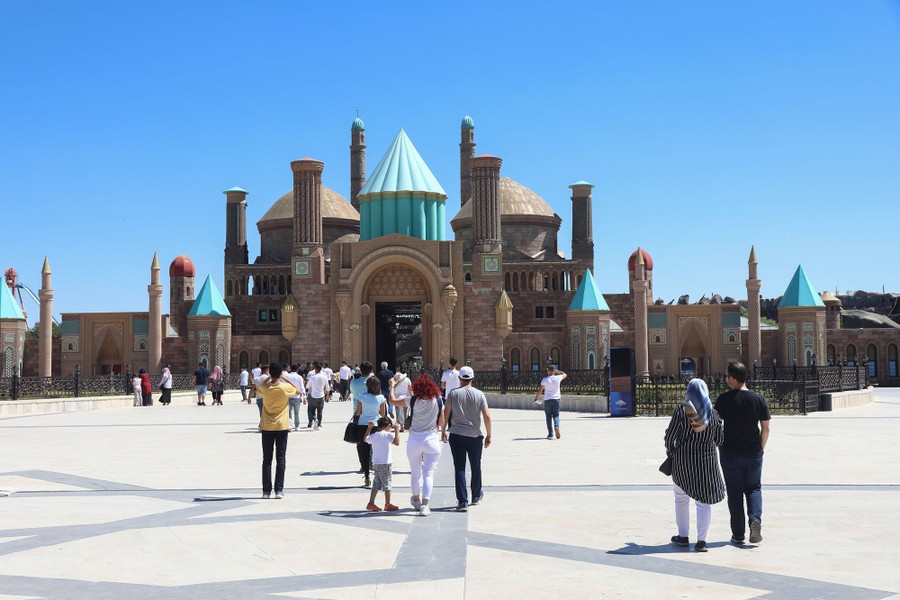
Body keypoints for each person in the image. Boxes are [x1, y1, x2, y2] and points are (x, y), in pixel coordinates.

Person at [664, 378, 726, 552]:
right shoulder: (713, 414)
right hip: (706, 464)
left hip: (683, 463)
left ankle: (683, 536)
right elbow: (720, 439)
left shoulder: (681, 411)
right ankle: (702, 541)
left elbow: (670, 436)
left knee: (681, 498)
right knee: (703, 502)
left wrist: (669, 448)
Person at [715, 361, 771, 545]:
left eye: (726, 376)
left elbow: (715, 425)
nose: (725, 379)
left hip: (730, 452)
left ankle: (738, 534)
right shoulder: (758, 399)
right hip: (753, 451)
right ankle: (755, 521)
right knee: (754, 488)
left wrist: (719, 445)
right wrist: (760, 448)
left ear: (732, 378)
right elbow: (766, 428)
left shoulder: (724, 399)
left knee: (735, 491)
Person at [391, 373, 444, 516]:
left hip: (414, 440)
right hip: (431, 440)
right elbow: (441, 423)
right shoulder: (438, 401)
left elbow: (392, 401)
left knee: (415, 474)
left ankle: (416, 499)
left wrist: (392, 386)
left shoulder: (412, 400)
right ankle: (425, 506)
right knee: (428, 475)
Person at [441, 366, 492, 512]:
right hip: (475, 435)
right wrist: (489, 434)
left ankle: (462, 501)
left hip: (456, 434)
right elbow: (487, 416)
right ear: (472, 379)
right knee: (476, 466)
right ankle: (476, 495)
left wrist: (443, 430)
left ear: (459, 378)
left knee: (460, 468)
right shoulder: (479, 394)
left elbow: (446, 412)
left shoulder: (453, 393)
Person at [257, 362, 299, 499]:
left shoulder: (266, 387)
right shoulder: (285, 388)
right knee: (281, 459)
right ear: (281, 373)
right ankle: (279, 490)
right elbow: (298, 391)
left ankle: (266, 491)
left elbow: (259, 387)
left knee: (267, 460)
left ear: (270, 373)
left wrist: (269, 377)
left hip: (267, 427)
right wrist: (284, 378)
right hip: (281, 426)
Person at [354, 376, 387, 487]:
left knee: (364, 451)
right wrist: (375, 408)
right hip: (376, 426)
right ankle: (378, 476)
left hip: (362, 425)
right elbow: (383, 415)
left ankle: (367, 476)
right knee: (376, 451)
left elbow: (358, 413)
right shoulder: (381, 398)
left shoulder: (361, 397)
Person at [364, 416, 400, 512]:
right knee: (387, 482)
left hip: (376, 463)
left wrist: (369, 428)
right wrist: (397, 431)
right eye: (391, 427)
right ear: (388, 426)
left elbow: (365, 439)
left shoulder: (374, 435)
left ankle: (371, 503)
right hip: (385, 463)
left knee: (376, 482)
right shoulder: (387, 435)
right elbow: (397, 442)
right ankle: (387, 504)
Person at [535, 364, 567, 439]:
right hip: (556, 399)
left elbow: (540, 390)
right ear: (554, 371)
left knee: (548, 416)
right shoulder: (558, 378)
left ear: (548, 371)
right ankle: (556, 426)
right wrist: (557, 371)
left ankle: (550, 434)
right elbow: (565, 374)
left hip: (547, 400)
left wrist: (536, 398)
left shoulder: (545, 379)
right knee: (556, 415)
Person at [305, 362, 329, 430]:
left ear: (315, 368)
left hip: (313, 396)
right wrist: (327, 396)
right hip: (321, 396)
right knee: (320, 411)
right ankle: (319, 424)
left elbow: (307, 386)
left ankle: (315, 419)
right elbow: (327, 387)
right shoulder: (324, 377)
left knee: (312, 410)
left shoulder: (312, 377)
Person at [285, 364, 306, 431]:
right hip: (297, 397)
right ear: (297, 369)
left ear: (290, 368)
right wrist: (304, 397)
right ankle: (297, 426)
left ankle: (290, 425)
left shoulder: (287, 376)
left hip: (288, 396)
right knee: (296, 412)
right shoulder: (299, 377)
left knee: (289, 412)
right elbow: (302, 388)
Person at [392, 367, 411, 432]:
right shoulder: (407, 379)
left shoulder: (395, 379)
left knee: (398, 412)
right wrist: (412, 396)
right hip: (405, 397)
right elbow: (409, 388)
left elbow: (392, 388)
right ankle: (404, 423)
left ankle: (401, 425)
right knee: (405, 411)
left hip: (397, 398)